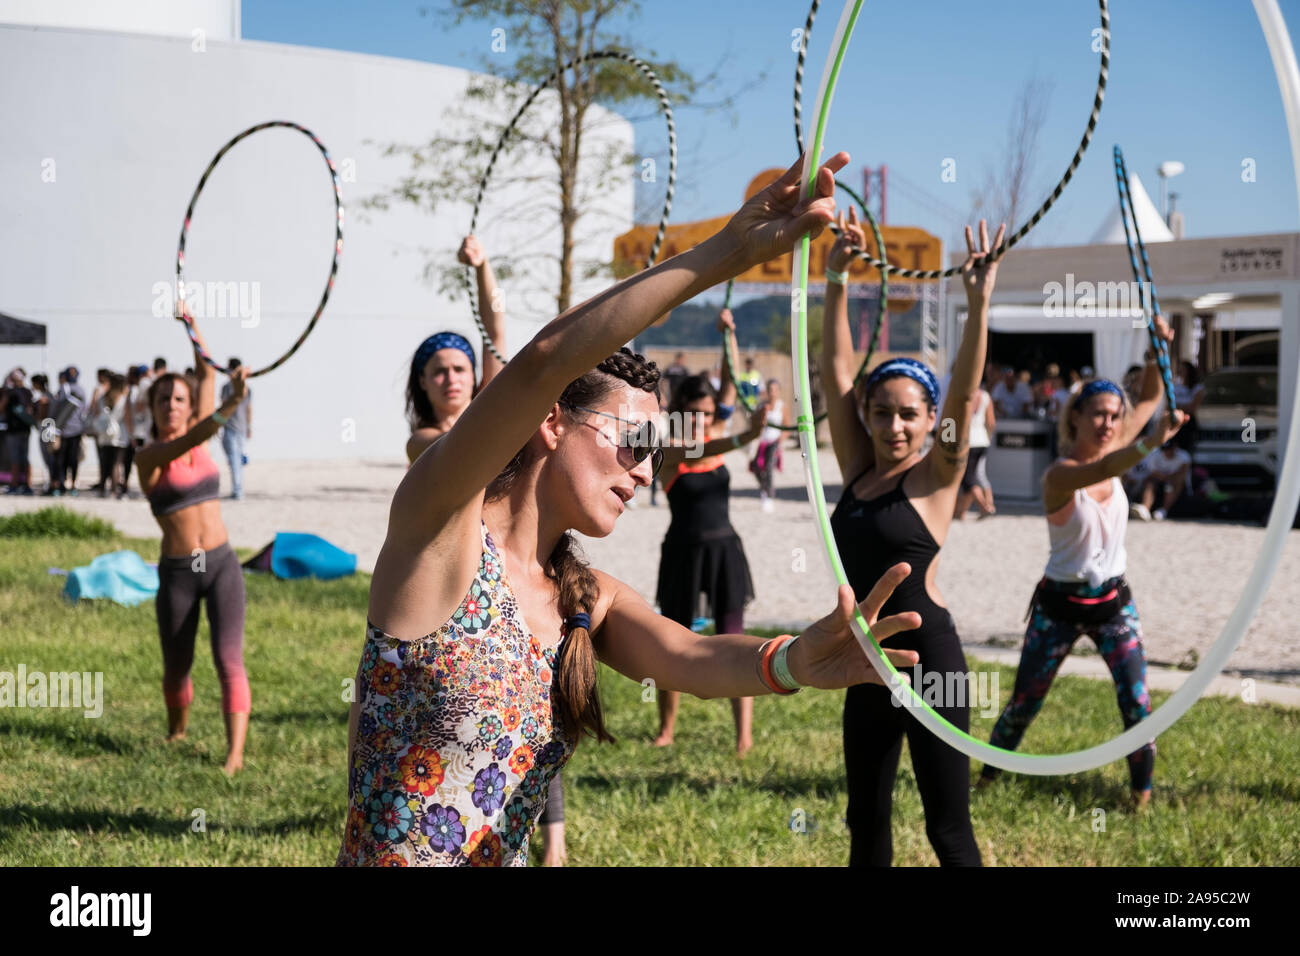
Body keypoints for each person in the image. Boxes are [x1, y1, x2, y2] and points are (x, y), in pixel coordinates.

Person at [339, 151, 926, 867]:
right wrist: (727, 254)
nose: (645, 473)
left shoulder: (581, 597)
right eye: (633, 443)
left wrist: (796, 661)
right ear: (552, 423)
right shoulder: (440, 532)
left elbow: (695, 656)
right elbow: (545, 357)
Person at [822, 207, 1003, 867]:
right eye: (881, 413)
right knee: (864, 822)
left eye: (908, 415)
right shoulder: (858, 471)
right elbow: (836, 374)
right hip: (866, 662)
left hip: (934, 663)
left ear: (930, 422)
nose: (894, 427)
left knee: (946, 828)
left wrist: (976, 304)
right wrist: (836, 279)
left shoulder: (937, 476)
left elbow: (963, 391)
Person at [977, 316, 1186, 810]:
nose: (1109, 423)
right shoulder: (1060, 474)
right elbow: (1107, 467)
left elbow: (1151, 401)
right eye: (1098, 414)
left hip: (1113, 603)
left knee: (1137, 704)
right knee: (1024, 703)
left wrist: (1158, 351)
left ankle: (1141, 798)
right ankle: (985, 783)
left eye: (1115, 414)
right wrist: (1152, 441)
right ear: (1075, 418)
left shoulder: (1117, 445)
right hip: (1058, 605)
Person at [134, 308, 252, 775]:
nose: (172, 405)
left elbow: (205, 371)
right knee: (177, 663)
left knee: (228, 657)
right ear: (153, 406)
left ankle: (235, 756)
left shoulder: (201, 434)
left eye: (179, 398)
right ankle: (177, 731)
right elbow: (203, 429)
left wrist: (192, 326)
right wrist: (232, 401)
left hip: (221, 563)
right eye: (164, 399)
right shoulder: (150, 458)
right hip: (180, 572)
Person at [653, 309, 768, 757]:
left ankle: (743, 737)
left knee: (736, 640)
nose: (701, 419)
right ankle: (665, 729)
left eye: (706, 413)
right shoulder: (668, 449)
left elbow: (729, 387)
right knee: (672, 644)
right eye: (692, 413)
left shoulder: (716, 428)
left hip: (725, 551)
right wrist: (744, 438)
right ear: (679, 412)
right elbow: (704, 445)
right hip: (683, 551)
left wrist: (729, 335)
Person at [404, 236, 507, 465]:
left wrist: (483, 266)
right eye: (440, 371)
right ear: (423, 381)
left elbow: (494, 329)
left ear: (473, 375)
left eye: (459, 369)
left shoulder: (490, 412)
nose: (451, 379)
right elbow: (458, 445)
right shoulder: (419, 441)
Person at [954, 384, 995, 520]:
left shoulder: (963, 396)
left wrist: (947, 439)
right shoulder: (985, 396)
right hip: (982, 440)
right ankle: (962, 511)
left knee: (968, 479)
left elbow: (955, 420)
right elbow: (991, 422)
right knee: (979, 475)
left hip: (968, 441)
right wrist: (987, 437)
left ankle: (984, 506)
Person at [750, 379, 789, 512]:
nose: (772, 393)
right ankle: (764, 490)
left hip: (774, 441)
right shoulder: (762, 406)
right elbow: (754, 422)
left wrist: (780, 440)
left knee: (769, 468)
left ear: (778, 391)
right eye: (770, 390)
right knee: (755, 467)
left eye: (774, 390)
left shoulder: (782, 406)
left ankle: (769, 496)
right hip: (762, 441)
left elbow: (786, 426)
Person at [49, 366, 87, 495]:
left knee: (61, 459)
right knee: (73, 459)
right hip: (76, 430)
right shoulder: (81, 390)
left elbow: (54, 409)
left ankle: (62, 484)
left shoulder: (63, 389)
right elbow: (84, 411)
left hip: (63, 430)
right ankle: (73, 485)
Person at [219, 358, 252, 500]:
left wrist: (218, 423)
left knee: (234, 460)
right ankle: (238, 489)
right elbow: (248, 409)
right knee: (236, 459)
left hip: (233, 427)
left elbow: (223, 407)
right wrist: (248, 426)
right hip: (238, 427)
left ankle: (238, 490)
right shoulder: (245, 387)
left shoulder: (228, 387)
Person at [1134, 440, 1191, 521]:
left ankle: (1163, 511)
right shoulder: (1154, 454)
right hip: (1159, 480)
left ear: (1175, 448)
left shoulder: (1184, 456)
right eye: (1165, 450)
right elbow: (1152, 472)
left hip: (1174, 483)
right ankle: (1145, 509)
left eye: (1169, 449)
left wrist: (1168, 478)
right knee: (1150, 483)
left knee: (1172, 484)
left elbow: (1182, 473)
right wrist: (1164, 477)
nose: (1167, 452)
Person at [94, 372, 130, 498]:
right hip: (119, 434)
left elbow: (96, 412)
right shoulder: (123, 398)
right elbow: (126, 417)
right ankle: (114, 490)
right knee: (116, 463)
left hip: (104, 433)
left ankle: (102, 489)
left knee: (104, 462)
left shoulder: (103, 397)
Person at [2, 368, 35, 494]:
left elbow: (2, 408)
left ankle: (14, 484)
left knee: (15, 458)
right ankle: (28, 485)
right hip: (25, 429)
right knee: (25, 457)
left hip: (13, 430)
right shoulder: (28, 392)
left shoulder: (10, 393)